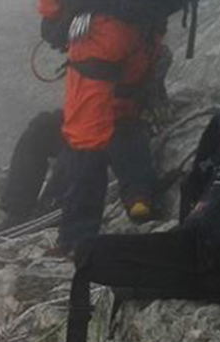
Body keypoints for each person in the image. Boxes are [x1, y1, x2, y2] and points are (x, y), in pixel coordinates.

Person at [38, 0, 168, 254]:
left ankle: (77, 238)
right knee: (123, 112)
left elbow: (50, 7)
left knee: (85, 134)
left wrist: (55, 19)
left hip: (100, 35)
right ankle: (140, 196)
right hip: (146, 36)